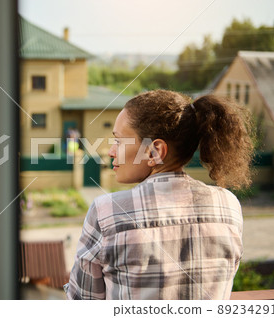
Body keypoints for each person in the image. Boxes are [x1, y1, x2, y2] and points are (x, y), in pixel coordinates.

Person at [64, 90, 254, 300]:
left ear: (154, 152)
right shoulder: (228, 205)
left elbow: (82, 301)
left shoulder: (107, 212)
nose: (111, 151)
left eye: (118, 141)